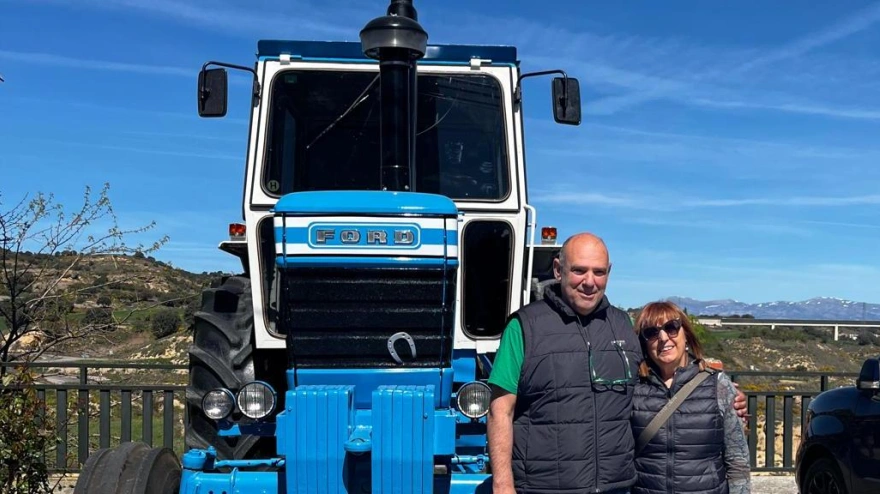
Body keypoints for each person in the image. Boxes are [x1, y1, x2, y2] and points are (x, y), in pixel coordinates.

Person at [487, 232, 747, 494]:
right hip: (543, 488)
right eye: (579, 270)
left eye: (599, 272)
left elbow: (666, 370)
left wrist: (725, 394)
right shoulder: (524, 327)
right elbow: (500, 411)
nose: (589, 282)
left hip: (618, 487)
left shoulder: (624, 326)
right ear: (558, 269)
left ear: (609, 273)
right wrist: (503, 484)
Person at [630, 301, 750, 494]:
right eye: (651, 333)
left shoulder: (718, 385)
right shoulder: (633, 388)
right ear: (643, 342)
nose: (663, 338)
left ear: (686, 333)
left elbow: (737, 459)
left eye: (671, 328)